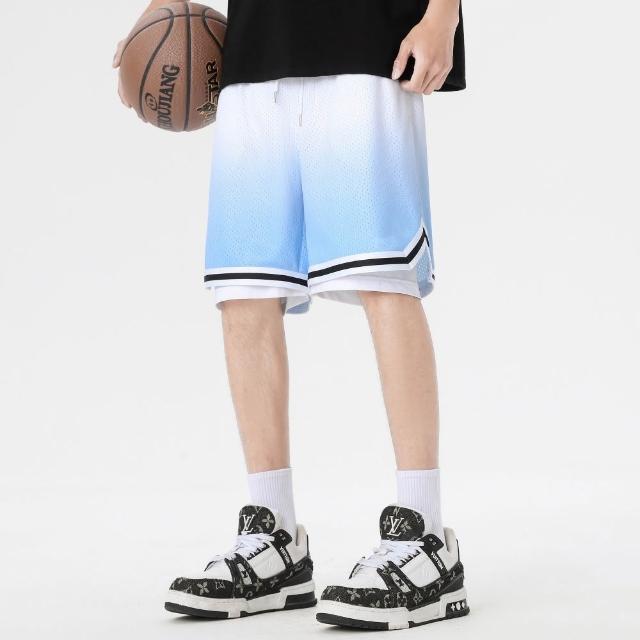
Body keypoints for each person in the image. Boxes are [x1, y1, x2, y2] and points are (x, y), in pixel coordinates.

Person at [114, 0, 468, 630]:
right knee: (243, 294)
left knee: (384, 282)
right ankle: (273, 538)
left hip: (369, 48)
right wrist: (159, 11)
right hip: (255, 64)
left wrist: (443, 15)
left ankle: (426, 536)